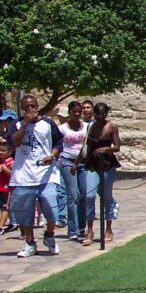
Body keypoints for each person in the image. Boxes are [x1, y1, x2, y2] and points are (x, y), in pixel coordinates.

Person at [9, 95, 64, 258]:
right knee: (25, 212)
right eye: (26, 106)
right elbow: (13, 143)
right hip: (24, 174)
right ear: (22, 108)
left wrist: (52, 155)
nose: (30, 109)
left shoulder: (47, 123)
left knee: (51, 208)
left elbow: (59, 142)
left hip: (46, 174)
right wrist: (25, 124)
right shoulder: (16, 124)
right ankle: (30, 242)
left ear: (37, 106)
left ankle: (49, 235)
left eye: (32, 106)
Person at [76, 102, 121, 243]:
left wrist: (105, 149)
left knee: (106, 196)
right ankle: (89, 230)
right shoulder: (91, 126)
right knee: (89, 196)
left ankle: (108, 227)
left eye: (103, 114)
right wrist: (76, 163)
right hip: (92, 164)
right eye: (98, 114)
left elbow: (117, 147)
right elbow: (85, 146)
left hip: (107, 164)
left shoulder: (112, 127)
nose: (100, 117)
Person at [57, 101, 89, 241]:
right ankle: (72, 229)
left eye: (79, 112)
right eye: (74, 111)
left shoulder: (87, 127)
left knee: (84, 194)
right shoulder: (62, 128)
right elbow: (57, 144)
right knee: (73, 195)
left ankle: (81, 227)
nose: (77, 114)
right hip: (67, 162)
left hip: (83, 163)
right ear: (69, 112)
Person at [0, 143, 14, 235]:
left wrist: (5, 169)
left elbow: (14, 174)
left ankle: (1, 226)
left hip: (6, 188)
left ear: (9, 152)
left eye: (3, 151)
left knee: (5, 207)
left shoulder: (10, 161)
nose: (1, 152)